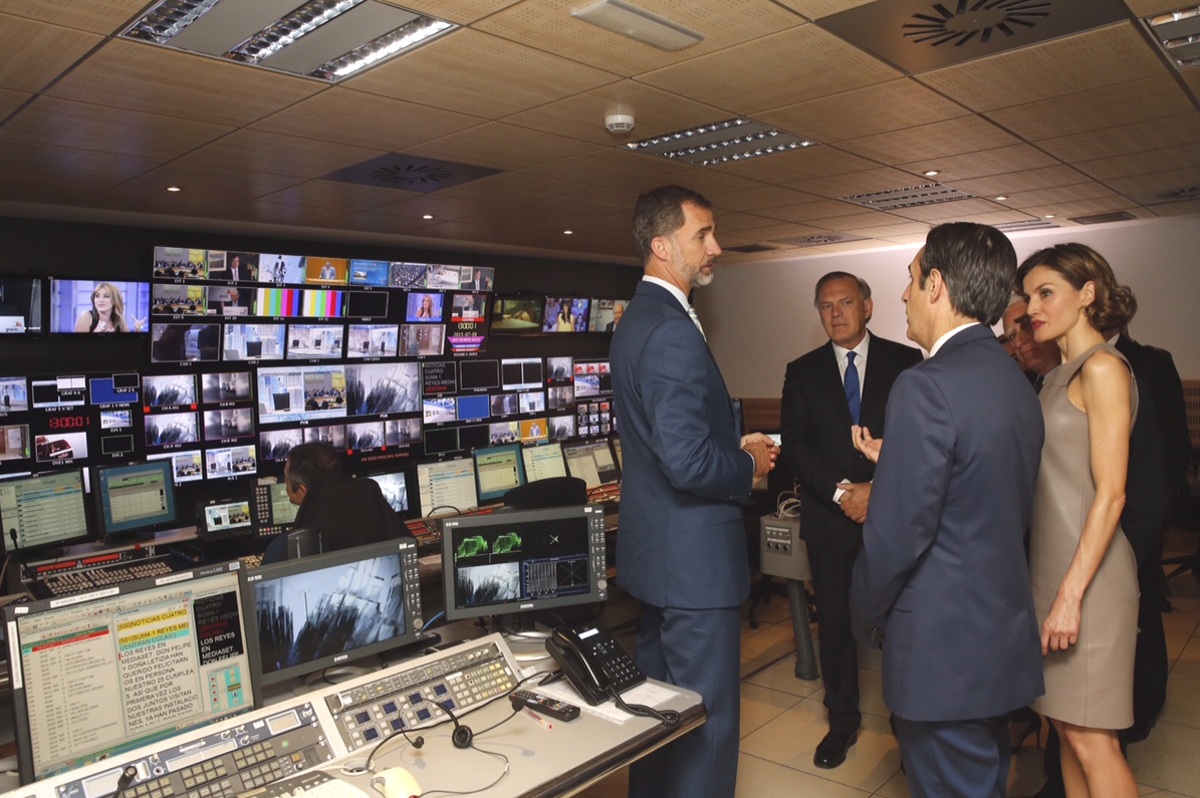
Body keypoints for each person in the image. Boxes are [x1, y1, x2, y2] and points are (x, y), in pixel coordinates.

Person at [849, 222, 1044, 798]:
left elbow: (897, 536)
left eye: (911, 279)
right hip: (997, 632)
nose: (903, 294)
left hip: (942, 648)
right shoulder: (1016, 380)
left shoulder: (925, 385)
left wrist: (861, 611)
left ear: (935, 284)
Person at [610, 185, 777, 798]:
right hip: (694, 570)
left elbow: (669, 440)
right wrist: (748, 462)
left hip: (659, 563)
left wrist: (730, 439)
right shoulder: (670, 330)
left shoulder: (636, 322)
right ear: (661, 245)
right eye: (702, 235)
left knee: (661, 722)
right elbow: (686, 461)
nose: (717, 247)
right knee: (705, 728)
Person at [780, 271, 921, 769]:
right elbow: (797, 447)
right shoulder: (803, 371)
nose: (835, 313)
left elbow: (918, 439)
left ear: (867, 306)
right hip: (831, 518)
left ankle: (910, 723)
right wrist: (843, 493)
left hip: (893, 516)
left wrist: (875, 492)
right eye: (825, 306)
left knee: (903, 623)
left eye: (844, 302)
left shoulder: (907, 362)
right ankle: (841, 722)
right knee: (836, 626)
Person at [1017, 243, 1140, 798]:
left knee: (1093, 740)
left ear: (1087, 293)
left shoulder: (1104, 368)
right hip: (1052, 573)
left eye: (1046, 293)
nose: (1031, 309)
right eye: (1028, 297)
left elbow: (1111, 495)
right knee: (1065, 730)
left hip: (1089, 581)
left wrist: (1070, 596)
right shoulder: (1054, 375)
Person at [261, 442, 402, 564]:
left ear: (302, 491)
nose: (285, 484)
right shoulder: (379, 520)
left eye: (286, 480)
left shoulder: (283, 548)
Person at [1002, 294, 1061, 387]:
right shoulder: (1024, 388)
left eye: (1026, 327)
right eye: (1012, 336)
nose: (1018, 343)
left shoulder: (1082, 374)